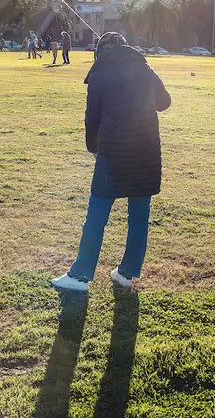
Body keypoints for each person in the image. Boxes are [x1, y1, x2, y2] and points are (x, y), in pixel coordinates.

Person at [52, 33, 171, 292]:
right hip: (146, 153)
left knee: (97, 214)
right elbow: (165, 102)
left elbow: (91, 119)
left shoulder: (99, 75)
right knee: (139, 216)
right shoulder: (144, 68)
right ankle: (127, 273)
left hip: (113, 155)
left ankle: (81, 275)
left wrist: (93, 148)